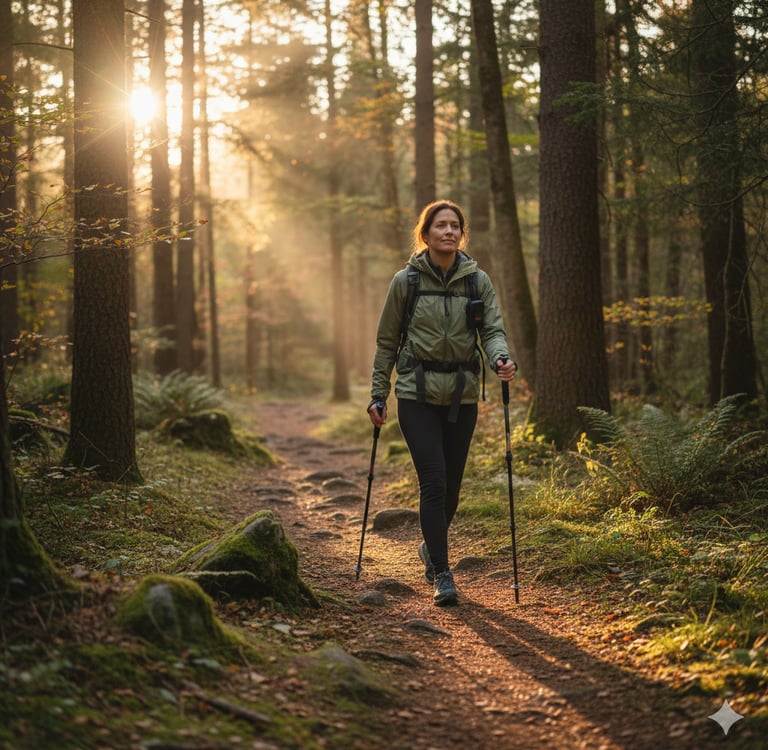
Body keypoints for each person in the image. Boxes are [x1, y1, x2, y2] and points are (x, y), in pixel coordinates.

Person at [367, 200, 517, 606]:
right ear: (426, 233)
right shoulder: (407, 281)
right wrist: (378, 394)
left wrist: (501, 358)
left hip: (462, 394)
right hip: (415, 395)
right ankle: (443, 572)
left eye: (455, 226)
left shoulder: (477, 281)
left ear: (461, 234)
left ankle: (429, 548)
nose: (448, 232)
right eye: (440, 226)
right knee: (433, 482)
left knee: (451, 488)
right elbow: (387, 343)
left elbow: (493, 331)